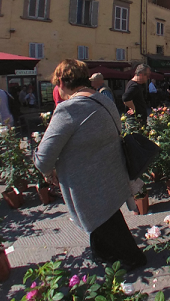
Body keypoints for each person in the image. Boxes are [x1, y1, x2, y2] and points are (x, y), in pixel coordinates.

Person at [34, 59, 146, 271]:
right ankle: (105, 256)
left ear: (61, 81)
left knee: (107, 226)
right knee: (107, 223)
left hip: (89, 184)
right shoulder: (103, 98)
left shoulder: (69, 109)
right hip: (112, 174)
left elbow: (43, 158)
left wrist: (47, 167)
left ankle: (129, 260)